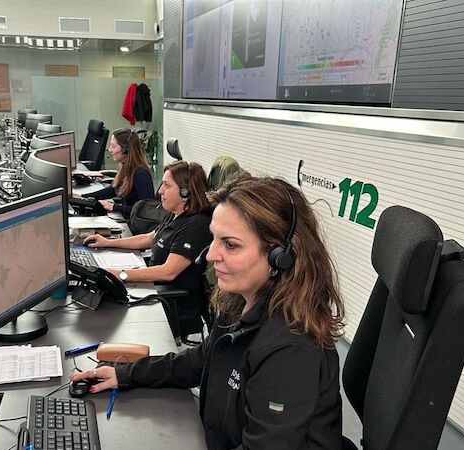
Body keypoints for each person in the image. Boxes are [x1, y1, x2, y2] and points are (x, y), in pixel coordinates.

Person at [73, 176, 345, 449]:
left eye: (230, 244)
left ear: (281, 256)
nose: (210, 255)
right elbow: (199, 361)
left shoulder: (290, 348)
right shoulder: (240, 302)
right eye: (214, 238)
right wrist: (124, 374)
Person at [83, 161, 212, 338]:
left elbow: (169, 272)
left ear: (185, 193)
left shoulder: (195, 226)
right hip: (153, 289)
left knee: (105, 320)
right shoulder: (176, 214)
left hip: (170, 302)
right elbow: (149, 238)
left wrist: (121, 275)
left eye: (166, 185)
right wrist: (107, 242)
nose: (160, 191)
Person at [82, 128, 154, 216]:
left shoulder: (141, 173)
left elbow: (147, 210)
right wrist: (83, 197)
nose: (110, 149)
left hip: (133, 222)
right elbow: (112, 190)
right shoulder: (125, 166)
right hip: (126, 216)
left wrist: (114, 207)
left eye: (113, 146)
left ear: (125, 149)